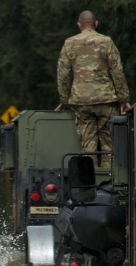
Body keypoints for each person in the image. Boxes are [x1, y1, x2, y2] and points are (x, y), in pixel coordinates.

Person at [56, 10, 131, 171]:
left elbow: (63, 74)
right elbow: (117, 71)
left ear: (79, 25)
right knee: (109, 145)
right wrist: (123, 98)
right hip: (106, 100)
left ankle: (90, 184)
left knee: (87, 145)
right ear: (96, 24)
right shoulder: (106, 41)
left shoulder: (69, 43)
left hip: (80, 101)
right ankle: (109, 183)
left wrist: (64, 100)